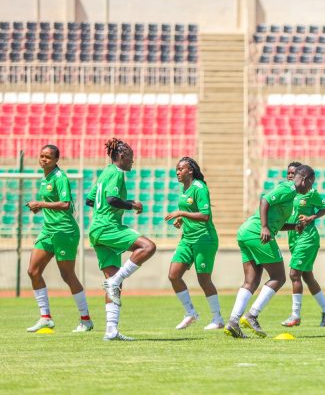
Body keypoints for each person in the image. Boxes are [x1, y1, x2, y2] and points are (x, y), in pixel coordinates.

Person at [224, 164, 315, 339]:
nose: (311, 187)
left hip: (247, 232)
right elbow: (265, 200)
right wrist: (264, 227)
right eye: (311, 183)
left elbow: (278, 222)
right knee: (279, 277)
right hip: (258, 232)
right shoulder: (288, 189)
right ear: (305, 179)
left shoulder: (290, 193)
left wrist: (294, 226)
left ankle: (233, 322)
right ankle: (252, 315)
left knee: (251, 280)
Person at [86, 138, 157, 341]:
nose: (133, 162)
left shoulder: (104, 174)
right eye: (132, 158)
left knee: (112, 282)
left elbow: (91, 199)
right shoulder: (117, 173)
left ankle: (111, 330)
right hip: (108, 227)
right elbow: (111, 199)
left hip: (97, 229)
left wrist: (105, 211)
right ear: (122, 156)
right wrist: (132, 204)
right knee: (148, 246)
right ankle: (115, 281)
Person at [25, 144, 92, 333]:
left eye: (48, 157)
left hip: (64, 230)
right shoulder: (44, 177)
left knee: (67, 275)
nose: (43, 159)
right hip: (48, 230)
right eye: (41, 155)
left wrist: (41, 203)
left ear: (56, 160)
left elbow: (65, 204)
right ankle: (45, 317)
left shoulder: (60, 177)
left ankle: (85, 319)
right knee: (33, 271)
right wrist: (40, 207)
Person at [163, 157, 223, 330]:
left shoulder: (199, 188)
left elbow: (205, 216)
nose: (177, 172)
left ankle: (217, 319)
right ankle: (190, 312)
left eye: (180, 169)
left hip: (204, 239)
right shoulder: (185, 189)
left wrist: (181, 213)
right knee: (173, 275)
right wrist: (181, 220)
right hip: (187, 239)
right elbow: (192, 211)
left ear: (190, 170)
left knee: (204, 279)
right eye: (176, 169)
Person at [282, 162, 325, 328]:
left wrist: (310, 218)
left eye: (293, 173)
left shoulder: (310, 193)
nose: (290, 176)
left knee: (294, 274)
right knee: (307, 276)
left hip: (307, 238)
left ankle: (295, 315)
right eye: (288, 173)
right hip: (293, 237)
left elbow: (324, 208)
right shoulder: (286, 192)